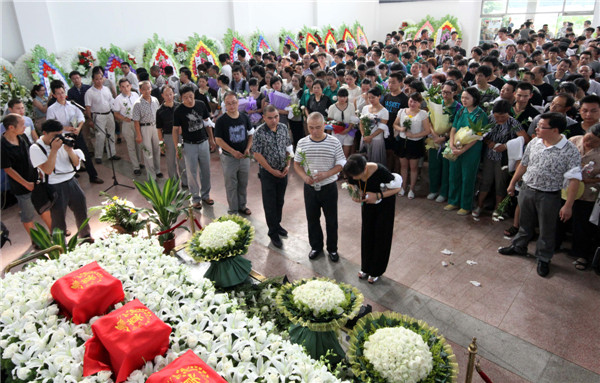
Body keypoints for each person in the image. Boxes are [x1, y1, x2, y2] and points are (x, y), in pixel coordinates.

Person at [499, 113, 581, 278]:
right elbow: (524, 164)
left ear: (555, 130)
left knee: (547, 228)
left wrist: (568, 205)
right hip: (527, 189)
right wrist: (513, 183)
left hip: (549, 195)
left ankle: (543, 258)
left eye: (541, 126)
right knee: (525, 222)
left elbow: (574, 179)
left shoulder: (570, 150)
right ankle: (519, 246)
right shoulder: (535, 142)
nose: (536, 129)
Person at [294, 112, 346, 262]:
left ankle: (332, 249)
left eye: (318, 127)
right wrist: (304, 177)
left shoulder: (333, 142)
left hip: (328, 187)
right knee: (312, 219)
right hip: (310, 188)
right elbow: (297, 164)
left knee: (331, 220)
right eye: (311, 128)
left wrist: (327, 174)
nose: (315, 131)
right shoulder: (302, 143)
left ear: (325, 125)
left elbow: (342, 163)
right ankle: (316, 246)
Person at [29, 119, 92, 241]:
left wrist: (69, 151)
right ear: (45, 133)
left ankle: (85, 237)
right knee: (58, 219)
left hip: (71, 181)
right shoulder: (36, 148)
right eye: (54, 135)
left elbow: (76, 163)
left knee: (81, 211)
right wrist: (54, 150)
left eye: (59, 134)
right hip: (54, 185)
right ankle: (61, 245)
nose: (58, 137)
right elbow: (47, 170)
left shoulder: (63, 140)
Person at [344, 154, 401, 283]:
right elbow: (352, 184)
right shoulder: (352, 171)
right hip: (368, 205)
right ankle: (365, 267)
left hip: (384, 206)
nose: (353, 178)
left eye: (356, 176)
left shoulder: (381, 171)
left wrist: (378, 195)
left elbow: (397, 188)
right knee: (367, 233)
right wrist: (354, 193)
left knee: (381, 236)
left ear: (364, 169)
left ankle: (376, 271)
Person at [1, 114, 52, 246]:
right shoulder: (2, 145)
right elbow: (8, 169)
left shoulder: (22, 137)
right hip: (21, 185)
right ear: (11, 127)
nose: (25, 127)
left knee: (44, 207)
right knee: (28, 213)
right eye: (22, 124)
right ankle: (35, 240)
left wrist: (39, 171)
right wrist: (25, 183)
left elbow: (31, 154)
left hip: (34, 179)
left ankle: (54, 232)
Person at [473, 100, 527, 217]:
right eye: (497, 116)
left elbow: (525, 139)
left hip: (503, 159)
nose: (499, 119)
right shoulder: (490, 118)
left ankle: (498, 208)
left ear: (508, 113)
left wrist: (506, 146)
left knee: (500, 183)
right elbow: (481, 134)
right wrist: (489, 142)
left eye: (503, 117)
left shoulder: (513, 123)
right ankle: (479, 205)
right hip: (489, 155)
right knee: (485, 181)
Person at [46, 80, 104, 184]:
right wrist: (65, 128)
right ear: (54, 95)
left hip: (76, 133)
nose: (61, 95)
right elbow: (51, 125)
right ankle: (72, 175)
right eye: (58, 93)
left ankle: (93, 176)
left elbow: (81, 117)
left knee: (85, 154)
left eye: (62, 92)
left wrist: (79, 128)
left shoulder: (72, 104)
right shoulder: (51, 109)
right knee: (67, 156)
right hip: (63, 136)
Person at [252, 105, 293, 249]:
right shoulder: (259, 132)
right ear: (264, 118)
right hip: (268, 174)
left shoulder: (282, 127)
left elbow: (288, 147)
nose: (274, 120)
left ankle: (277, 224)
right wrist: (271, 170)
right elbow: (257, 154)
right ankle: (272, 231)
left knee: (279, 201)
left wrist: (288, 165)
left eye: (276, 117)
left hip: (283, 171)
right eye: (270, 118)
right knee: (269, 203)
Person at [446, 87, 488, 215]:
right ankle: (453, 201)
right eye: (462, 97)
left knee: (467, 177)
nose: (464, 100)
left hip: (470, 151)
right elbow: (453, 128)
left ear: (474, 99)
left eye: (467, 98)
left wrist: (463, 150)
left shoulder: (480, 115)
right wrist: (452, 144)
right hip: (456, 147)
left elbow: (476, 137)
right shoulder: (461, 111)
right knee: (454, 175)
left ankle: (466, 204)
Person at [173, 85, 215, 209]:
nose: (189, 100)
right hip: (189, 145)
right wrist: (177, 147)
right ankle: (195, 198)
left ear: (194, 95)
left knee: (206, 170)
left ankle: (206, 195)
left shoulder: (201, 105)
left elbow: (207, 123)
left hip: (203, 142)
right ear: (181, 98)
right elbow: (175, 130)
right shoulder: (179, 110)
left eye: (191, 96)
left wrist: (211, 139)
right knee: (191, 172)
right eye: (185, 97)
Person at [566, 124, 600, 270]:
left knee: (583, 224)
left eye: (595, 142)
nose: (589, 143)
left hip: (588, 192)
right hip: (566, 188)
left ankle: (581, 254)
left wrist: (589, 180)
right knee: (560, 217)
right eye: (589, 138)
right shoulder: (574, 141)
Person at [214, 92, 254, 215]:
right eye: (228, 104)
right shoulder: (221, 120)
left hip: (244, 157)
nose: (232, 106)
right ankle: (233, 209)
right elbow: (218, 140)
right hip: (229, 157)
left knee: (243, 182)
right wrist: (232, 151)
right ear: (225, 105)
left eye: (234, 103)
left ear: (238, 103)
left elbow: (250, 134)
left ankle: (242, 205)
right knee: (231, 184)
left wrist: (248, 148)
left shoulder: (244, 117)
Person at [427, 81, 461, 203]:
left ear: (455, 92)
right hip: (434, 140)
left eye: (448, 92)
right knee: (433, 166)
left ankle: (444, 192)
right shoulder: (437, 103)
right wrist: (435, 135)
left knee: (446, 169)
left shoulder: (458, 108)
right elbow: (430, 120)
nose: (445, 95)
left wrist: (444, 137)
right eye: (443, 92)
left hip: (448, 141)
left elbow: (457, 127)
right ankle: (433, 189)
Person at [394, 92, 431, 199]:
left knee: (413, 167)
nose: (412, 103)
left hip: (415, 143)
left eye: (415, 102)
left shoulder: (423, 114)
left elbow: (427, 130)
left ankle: (411, 189)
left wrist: (414, 135)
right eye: (411, 101)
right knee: (403, 166)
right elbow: (395, 124)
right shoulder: (402, 111)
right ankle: (403, 187)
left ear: (419, 103)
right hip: (402, 141)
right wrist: (401, 129)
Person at [85, 68, 119, 164]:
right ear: (93, 80)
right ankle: (98, 156)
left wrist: (115, 111)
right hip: (98, 116)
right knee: (100, 136)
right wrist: (90, 119)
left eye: (100, 79)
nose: (99, 81)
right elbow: (88, 107)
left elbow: (111, 100)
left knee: (111, 135)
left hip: (109, 114)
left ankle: (112, 154)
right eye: (96, 79)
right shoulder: (89, 92)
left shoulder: (106, 89)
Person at [156, 85, 187, 186]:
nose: (169, 96)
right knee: (170, 161)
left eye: (171, 94)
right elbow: (159, 128)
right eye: (166, 95)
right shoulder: (160, 111)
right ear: (162, 96)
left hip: (180, 136)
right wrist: (161, 143)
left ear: (174, 94)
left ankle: (185, 181)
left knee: (182, 160)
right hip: (168, 137)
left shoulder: (180, 106)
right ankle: (174, 182)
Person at [112, 78, 143, 176]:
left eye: (127, 86)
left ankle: (138, 161)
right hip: (127, 123)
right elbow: (116, 113)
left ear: (130, 86)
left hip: (137, 122)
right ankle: (135, 166)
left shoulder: (135, 95)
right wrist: (124, 118)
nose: (126, 89)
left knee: (138, 143)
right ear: (120, 88)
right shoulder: (118, 99)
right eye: (123, 87)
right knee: (131, 145)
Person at [132, 81, 162, 178]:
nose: (147, 91)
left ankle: (158, 170)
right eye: (144, 89)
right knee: (148, 151)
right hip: (145, 128)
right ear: (140, 90)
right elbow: (136, 121)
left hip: (155, 127)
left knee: (157, 149)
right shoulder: (137, 104)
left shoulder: (155, 100)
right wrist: (139, 135)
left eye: (148, 88)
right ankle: (151, 175)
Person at [359, 87, 389, 166]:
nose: (371, 100)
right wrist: (364, 135)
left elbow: (382, 127)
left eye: (373, 97)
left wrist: (371, 136)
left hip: (376, 139)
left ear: (379, 96)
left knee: (375, 162)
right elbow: (361, 123)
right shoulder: (365, 108)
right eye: (369, 98)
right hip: (365, 137)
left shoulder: (384, 111)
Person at [327, 88, 356, 159]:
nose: (342, 99)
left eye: (344, 97)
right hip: (336, 132)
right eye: (340, 96)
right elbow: (330, 121)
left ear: (347, 97)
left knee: (346, 154)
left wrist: (348, 129)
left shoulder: (351, 106)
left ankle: (344, 168)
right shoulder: (332, 107)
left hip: (348, 131)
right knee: (337, 154)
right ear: (337, 96)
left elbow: (353, 119)